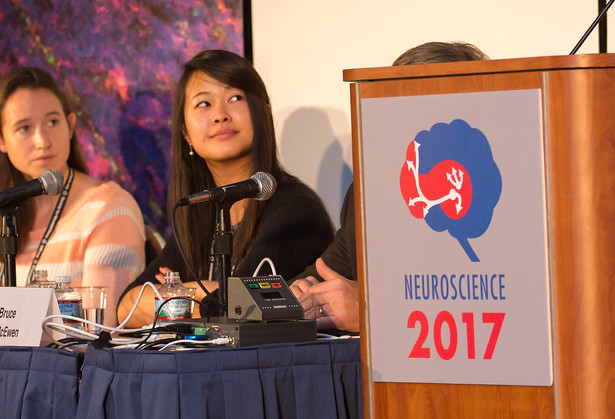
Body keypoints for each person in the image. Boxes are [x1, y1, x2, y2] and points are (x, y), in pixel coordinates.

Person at [119, 50, 334, 327]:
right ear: (186, 133)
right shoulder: (198, 212)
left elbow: (239, 307)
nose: (220, 115)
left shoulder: (296, 208)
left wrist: (181, 291)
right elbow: (126, 307)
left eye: (234, 98)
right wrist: (204, 294)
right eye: (204, 104)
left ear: (262, 112)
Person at [290, 41, 488, 333]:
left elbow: (486, 299)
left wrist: (373, 312)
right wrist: (303, 292)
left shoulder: (492, 195)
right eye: (399, 104)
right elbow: (336, 269)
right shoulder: (371, 189)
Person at [0, 67, 145, 323]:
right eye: (24, 128)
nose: (42, 141)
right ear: (0, 141)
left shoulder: (109, 207)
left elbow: (100, 327)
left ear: (71, 126)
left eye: (52, 122)